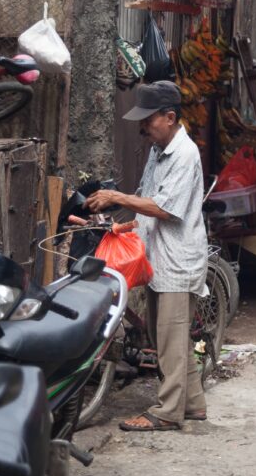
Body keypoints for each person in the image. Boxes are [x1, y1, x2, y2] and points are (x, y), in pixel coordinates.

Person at [87, 81, 207, 432]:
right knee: (167, 335)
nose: (143, 127)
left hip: (177, 260)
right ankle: (194, 404)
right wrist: (125, 226)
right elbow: (148, 200)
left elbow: (165, 208)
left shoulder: (184, 155)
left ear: (170, 117)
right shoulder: (159, 149)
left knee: (168, 338)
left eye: (149, 120)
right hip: (158, 256)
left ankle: (168, 412)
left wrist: (116, 197)